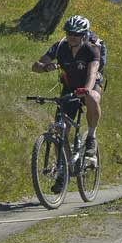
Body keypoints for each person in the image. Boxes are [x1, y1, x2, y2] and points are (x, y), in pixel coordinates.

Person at [32, 14, 102, 158]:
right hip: (69, 88)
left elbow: (93, 72)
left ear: (84, 35)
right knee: (60, 131)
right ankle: (63, 171)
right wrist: (45, 68)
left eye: (76, 34)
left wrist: (86, 90)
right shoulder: (60, 47)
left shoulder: (91, 49)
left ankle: (91, 137)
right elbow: (36, 66)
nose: (72, 36)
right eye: (69, 33)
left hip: (88, 87)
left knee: (93, 97)